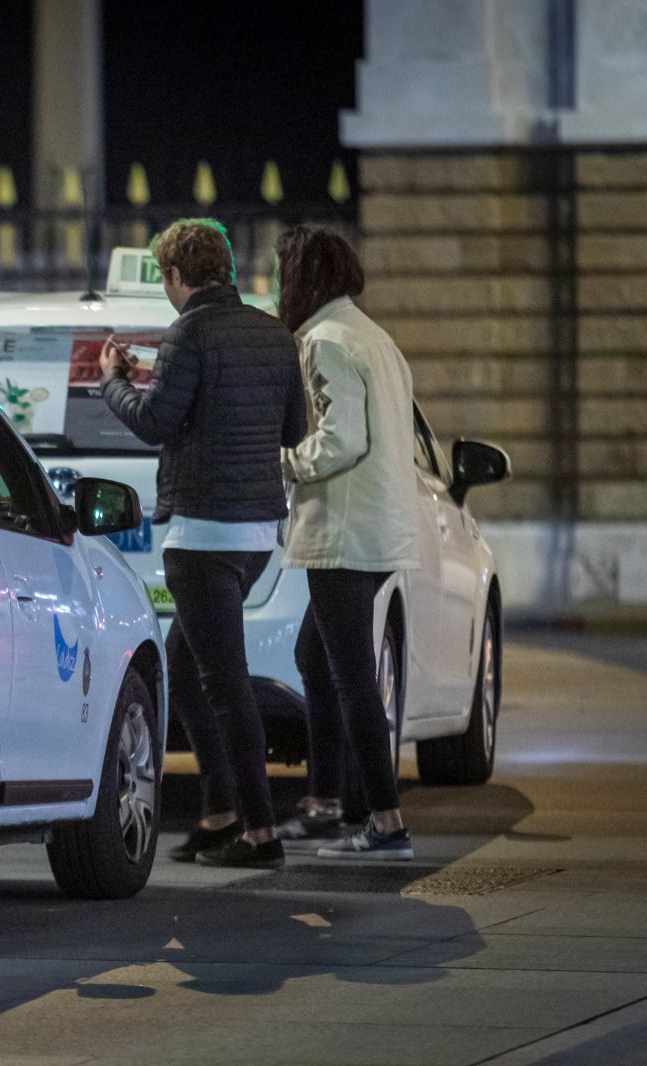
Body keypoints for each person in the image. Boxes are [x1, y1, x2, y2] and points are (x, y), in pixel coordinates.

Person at [101, 219, 305, 869]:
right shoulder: (274, 333)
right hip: (256, 537)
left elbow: (155, 421)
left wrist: (114, 382)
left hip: (202, 536)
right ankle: (220, 814)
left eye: (165, 278)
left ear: (175, 275)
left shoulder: (188, 331)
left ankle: (261, 831)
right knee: (183, 667)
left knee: (222, 683)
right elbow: (295, 428)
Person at [273, 225, 419, 861]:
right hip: (375, 529)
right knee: (315, 656)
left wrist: (284, 461)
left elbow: (341, 439)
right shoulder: (373, 336)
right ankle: (324, 803)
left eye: (284, 272)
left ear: (304, 277)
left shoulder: (325, 341)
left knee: (351, 674)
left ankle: (385, 822)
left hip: (343, 533)